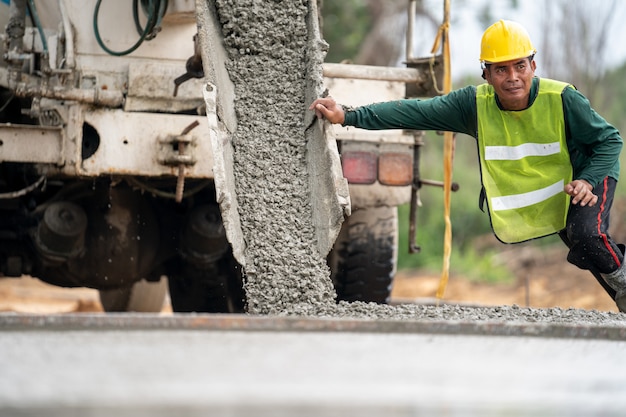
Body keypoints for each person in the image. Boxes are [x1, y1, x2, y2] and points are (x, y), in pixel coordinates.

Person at [310, 19, 626, 312]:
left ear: (533, 65)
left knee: (586, 235)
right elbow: (412, 111)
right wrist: (348, 116)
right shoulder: (472, 105)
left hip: (590, 171)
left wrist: (588, 179)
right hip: (560, 183)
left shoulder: (563, 98)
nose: (513, 78)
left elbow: (610, 141)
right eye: (501, 70)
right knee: (585, 248)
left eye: (519, 66)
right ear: (486, 74)